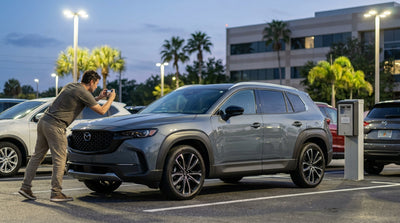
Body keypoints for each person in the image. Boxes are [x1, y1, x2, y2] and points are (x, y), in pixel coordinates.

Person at [18, 70, 116, 202]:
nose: (97, 86)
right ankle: (56, 193)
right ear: (91, 81)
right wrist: (111, 99)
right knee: (60, 159)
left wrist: (99, 98)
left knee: (37, 156)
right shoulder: (83, 92)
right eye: (96, 83)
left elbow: (83, 101)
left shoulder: (72, 86)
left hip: (44, 121)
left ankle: (25, 187)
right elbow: (102, 111)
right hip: (56, 125)